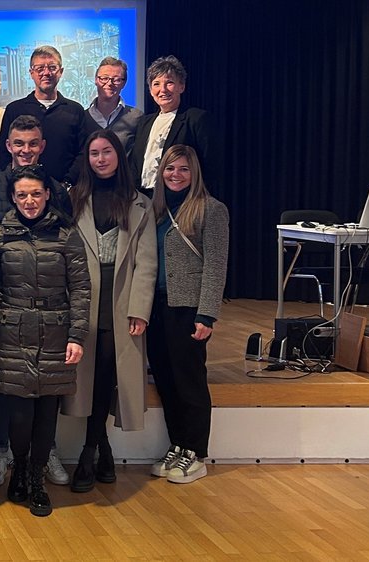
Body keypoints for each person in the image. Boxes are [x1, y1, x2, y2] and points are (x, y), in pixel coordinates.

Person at [0, 166, 90, 517]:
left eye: (35, 193)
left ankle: (36, 479)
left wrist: (77, 334)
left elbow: (80, 289)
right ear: (13, 198)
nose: (29, 201)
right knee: (18, 413)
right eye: (22, 195)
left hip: (55, 330)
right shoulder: (0, 235)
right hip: (12, 330)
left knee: (47, 411)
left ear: (47, 194)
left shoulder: (66, 234)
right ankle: (19, 468)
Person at [62, 130, 156, 493]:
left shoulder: (139, 203)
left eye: (106, 152)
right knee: (91, 373)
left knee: (106, 372)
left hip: (121, 299)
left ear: (118, 155)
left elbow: (146, 262)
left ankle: (90, 449)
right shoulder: (73, 199)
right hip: (84, 296)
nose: (100, 159)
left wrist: (140, 309)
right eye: (94, 153)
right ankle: (99, 448)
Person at [148, 145, 228, 484]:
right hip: (156, 307)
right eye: (170, 169)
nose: (175, 175)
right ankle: (177, 444)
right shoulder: (155, 210)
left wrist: (206, 314)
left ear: (194, 173)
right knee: (166, 380)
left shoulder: (212, 209)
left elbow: (215, 265)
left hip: (188, 308)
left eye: (183, 169)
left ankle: (196, 451)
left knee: (189, 381)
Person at [0, 45, 96, 184]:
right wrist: (15, 183)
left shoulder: (75, 110)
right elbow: (4, 152)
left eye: (52, 67)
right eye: (40, 68)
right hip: (23, 193)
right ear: (31, 73)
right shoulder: (14, 109)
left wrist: (68, 183)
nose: (46, 73)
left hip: (67, 192)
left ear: (61, 71)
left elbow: (83, 152)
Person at [129, 56, 213, 193]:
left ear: (182, 86)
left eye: (169, 83)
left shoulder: (196, 118)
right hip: (144, 199)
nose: (163, 89)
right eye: (156, 84)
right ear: (150, 90)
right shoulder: (144, 122)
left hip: (181, 200)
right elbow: (136, 165)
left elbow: (210, 165)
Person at [84, 57, 143, 154]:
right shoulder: (82, 118)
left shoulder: (136, 117)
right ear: (96, 80)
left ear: (124, 83)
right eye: (104, 78)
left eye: (116, 79)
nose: (109, 83)